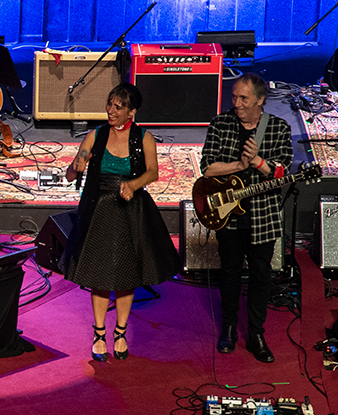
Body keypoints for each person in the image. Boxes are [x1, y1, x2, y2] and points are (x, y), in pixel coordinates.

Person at [61, 83, 180, 362]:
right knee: (100, 275)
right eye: (110, 104)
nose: (111, 111)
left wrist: (132, 184)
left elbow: (152, 173)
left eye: (118, 107)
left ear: (132, 112)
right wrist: (77, 165)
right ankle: (99, 333)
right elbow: (71, 174)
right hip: (99, 209)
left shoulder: (143, 137)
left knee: (127, 274)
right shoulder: (95, 136)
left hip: (131, 209)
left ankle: (121, 333)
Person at [199, 73, 293, 363]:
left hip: (263, 215)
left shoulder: (278, 128)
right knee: (228, 272)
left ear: (260, 100)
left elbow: (284, 173)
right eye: (234, 97)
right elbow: (207, 168)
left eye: (243, 99)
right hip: (229, 212)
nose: (236, 104)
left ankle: (256, 333)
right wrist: (239, 165)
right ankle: (227, 326)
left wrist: (258, 163)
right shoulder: (221, 123)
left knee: (261, 275)